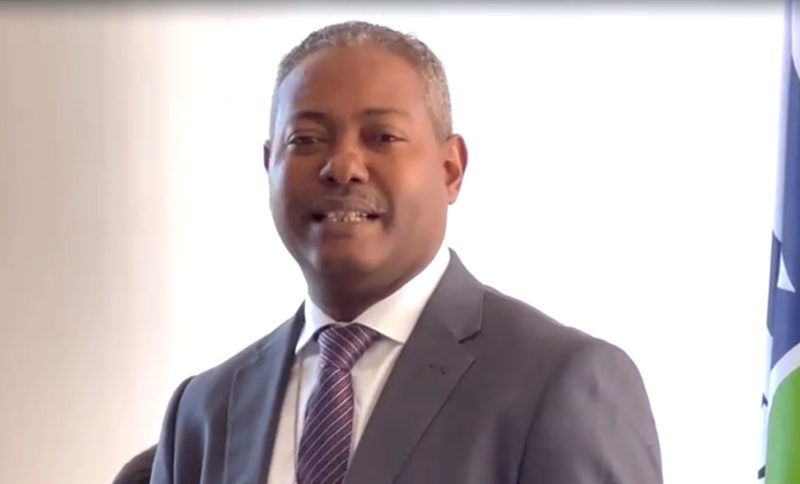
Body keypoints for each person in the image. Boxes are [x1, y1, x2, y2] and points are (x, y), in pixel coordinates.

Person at [149, 20, 662, 484]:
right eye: (306, 139)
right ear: (269, 167)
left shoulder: (560, 381)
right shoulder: (205, 412)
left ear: (450, 169)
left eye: (382, 137)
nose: (343, 166)